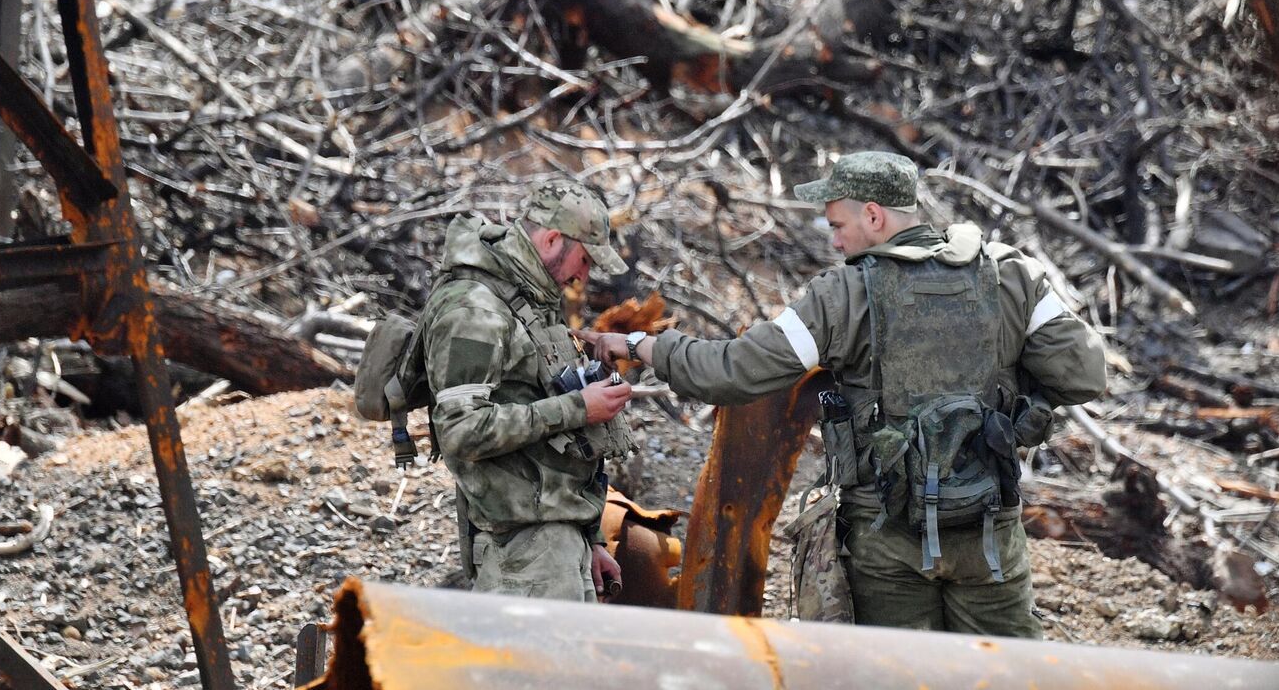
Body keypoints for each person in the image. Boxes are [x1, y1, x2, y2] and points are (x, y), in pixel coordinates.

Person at [576, 152, 1106, 638]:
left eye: (837, 225)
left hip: (887, 537)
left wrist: (640, 343)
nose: (833, 241)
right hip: (988, 530)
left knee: (893, 675)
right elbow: (1084, 374)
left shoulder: (844, 295)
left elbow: (731, 372)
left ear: (873, 216)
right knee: (1008, 676)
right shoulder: (1010, 275)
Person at [420, 181, 636, 601]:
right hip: (523, 557)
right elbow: (460, 431)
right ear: (553, 239)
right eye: (585, 259)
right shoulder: (474, 308)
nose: (583, 276)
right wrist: (577, 408)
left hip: (553, 548)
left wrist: (585, 539)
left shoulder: (532, 301)